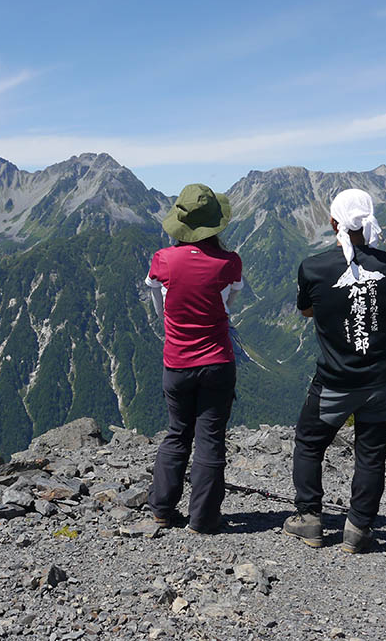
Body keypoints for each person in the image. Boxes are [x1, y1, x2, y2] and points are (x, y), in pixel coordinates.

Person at [283, 189, 386, 553]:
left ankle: (309, 519)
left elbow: (308, 311)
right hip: (381, 379)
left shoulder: (313, 267)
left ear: (333, 222)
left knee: (309, 443)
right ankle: (358, 527)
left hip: (335, 380)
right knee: (371, 453)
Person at [145, 183, 243, 534]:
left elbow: (160, 308)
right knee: (211, 437)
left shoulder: (163, 260)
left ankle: (160, 509)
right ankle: (203, 519)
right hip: (217, 361)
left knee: (177, 433)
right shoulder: (229, 262)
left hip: (177, 361)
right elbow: (228, 306)